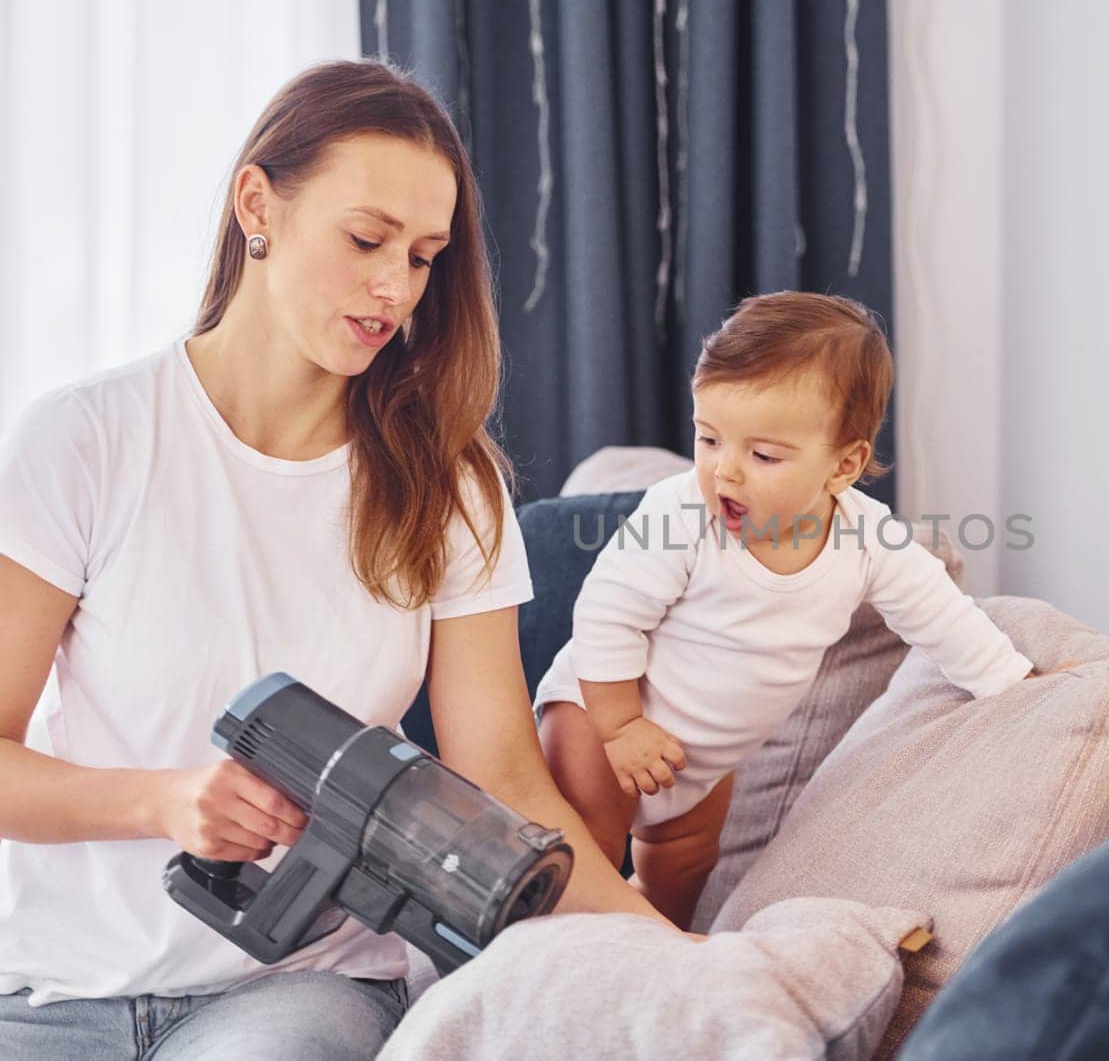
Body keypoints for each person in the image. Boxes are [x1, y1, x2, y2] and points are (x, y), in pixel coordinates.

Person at [0, 59, 670, 1059]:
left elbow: (506, 785)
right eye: (365, 240)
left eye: (423, 255)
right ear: (257, 203)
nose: (394, 287)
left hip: (295, 990)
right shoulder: (85, 440)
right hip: (52, 987)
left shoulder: (448, 484)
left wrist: (677, 960)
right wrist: (167, 799)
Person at [535, 291, 1073, 929]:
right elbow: (607, 615)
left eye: (763, 456)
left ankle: (665, 948)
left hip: (701, 761)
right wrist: (620, 726)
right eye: (708, 439)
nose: (724, 473)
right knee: (588, 850)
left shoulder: (868, 539)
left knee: (685, 861)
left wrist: (1014, 688)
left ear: (844, 466)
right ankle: (569, 949)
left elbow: (943, 617)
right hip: (601, 719)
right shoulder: (679, 516)